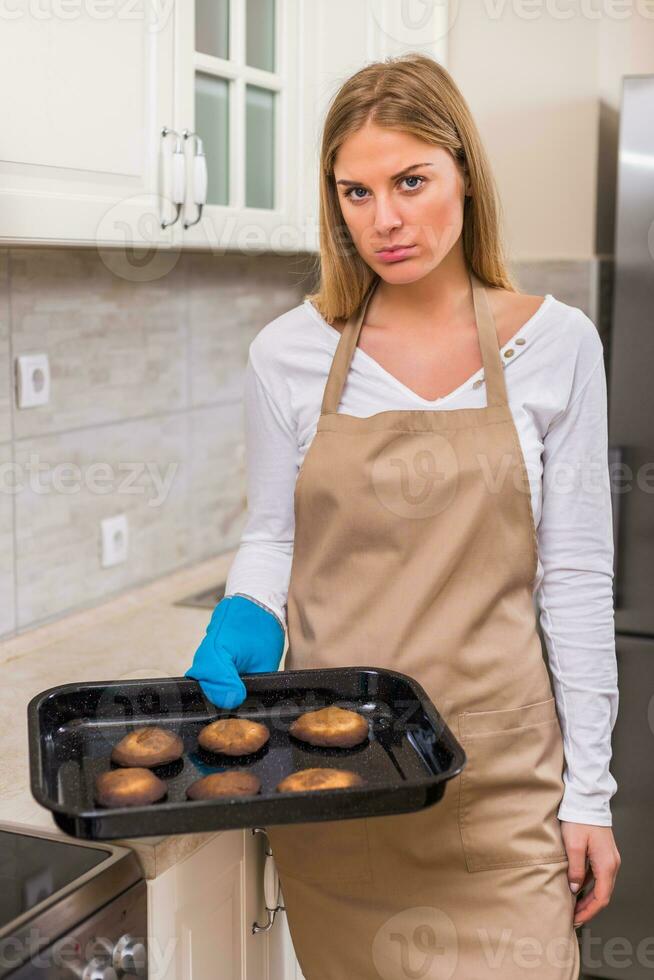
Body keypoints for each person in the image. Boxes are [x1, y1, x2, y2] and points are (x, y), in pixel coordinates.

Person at [185, 52, 621, 979]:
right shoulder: (289, 353)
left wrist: (593, 795)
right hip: (336, 784)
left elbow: (577, 578)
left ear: (465, 170)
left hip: (501, 786)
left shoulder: (557, 344)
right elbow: (272, 535)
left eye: (411, 181)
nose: (383, 220)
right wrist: (251, 609)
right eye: (355, 192)